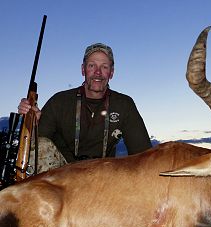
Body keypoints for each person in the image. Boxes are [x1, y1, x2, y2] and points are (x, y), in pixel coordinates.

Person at [18, 42, 152, 167]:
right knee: (39, 145)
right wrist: (32, 123)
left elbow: (144, 154)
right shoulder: (59, 101)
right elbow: (37, 145)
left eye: (104, 67)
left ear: (111, 73)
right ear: (83, 70)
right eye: (92, 65)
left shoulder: (124, 104)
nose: (98, 72)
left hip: (103, 175)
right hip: (62, 175)